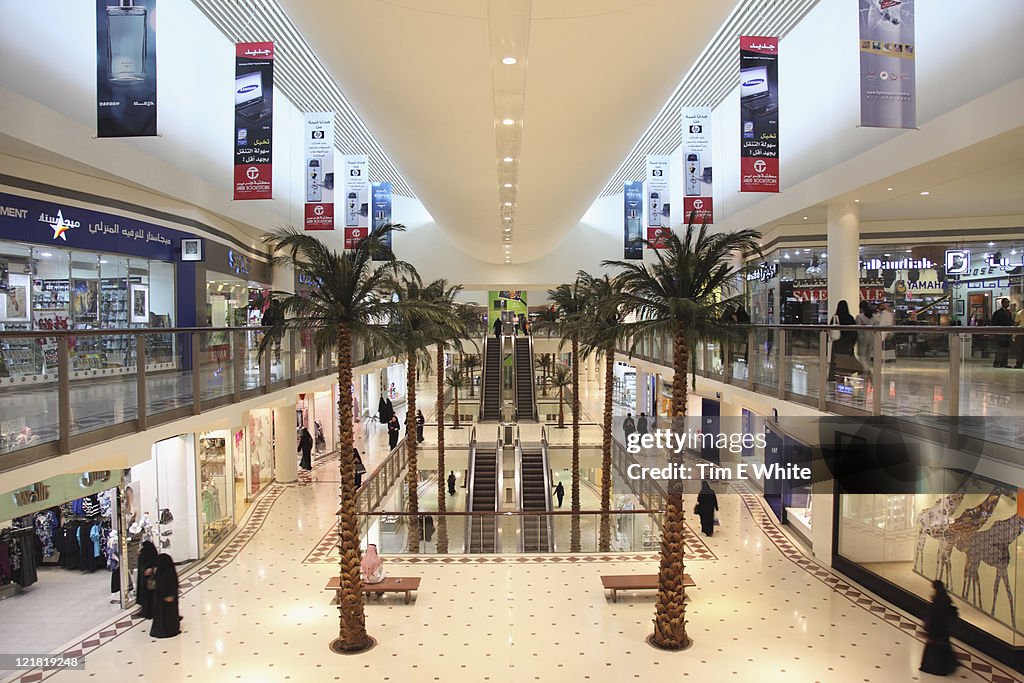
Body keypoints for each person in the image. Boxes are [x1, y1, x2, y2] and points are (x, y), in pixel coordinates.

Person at [919, 580, 960, 675]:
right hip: (943, 628)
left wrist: (928, 627)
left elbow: (932, 616)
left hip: (936, 628)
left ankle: (936, 667)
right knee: (943, 646)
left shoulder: (937, 601)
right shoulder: (945, 598)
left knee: (934, 647)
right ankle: (947, 665)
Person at [149, 553, 181, 639]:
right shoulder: (164, 571)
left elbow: (171, 585)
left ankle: (168, 629)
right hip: (163, 600)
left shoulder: (167, 573)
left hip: (165, 599)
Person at [828, 300, 860, 381]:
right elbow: (854, 332)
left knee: (837, 360)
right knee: (847, 361)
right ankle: (847, 376)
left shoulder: (835, 317)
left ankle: (836, 376)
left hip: (838, 343)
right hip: (848, 344)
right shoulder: (850, 318)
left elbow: (830, 330)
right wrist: (852, 343)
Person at [135, 540, 158, 619]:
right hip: (145, 579)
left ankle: (149, 611)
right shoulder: (147, 552)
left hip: (148, 580)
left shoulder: (146, 553)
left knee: (148, 596)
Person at [992, 298, 1014, 367]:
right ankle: (997, 362)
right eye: (1006, 302)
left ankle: (1004, 362)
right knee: (999, 348)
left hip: (1007, 333)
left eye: (1008, 303)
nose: (1007, 304)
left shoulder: (1008, 312)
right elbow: (994, 323)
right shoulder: (998, 313)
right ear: (1002, 303)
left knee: (1005, 348)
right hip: (1000, 333)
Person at [856, 301, 876, 374]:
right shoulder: (874, 317)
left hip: (863, 337)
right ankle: (868, 367)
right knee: (868, 354)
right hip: (872, 337)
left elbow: (858, 328)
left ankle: (865, 368)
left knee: (861, 355)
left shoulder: (860, 317)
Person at [1015, 304, 1024, 369]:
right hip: (1020, 333)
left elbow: (1016, 323)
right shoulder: (1019, 313)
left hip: (1020, 333)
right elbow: (1016, 323)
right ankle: (1019, 363)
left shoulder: (1020, 312)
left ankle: (1019, 363)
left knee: (1020, 349)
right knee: (1019, 349)